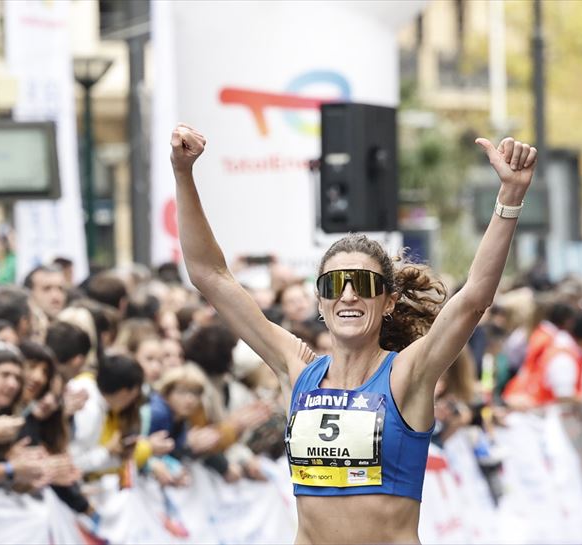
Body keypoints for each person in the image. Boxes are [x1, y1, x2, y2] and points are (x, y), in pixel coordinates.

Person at [171, 122, 537, 544]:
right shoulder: (296, 369)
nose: (348, 295)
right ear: (320, 302)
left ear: (388, 301)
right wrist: (183, 172)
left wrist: (510, 196)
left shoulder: (407, 374)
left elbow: (473, 299)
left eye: (362, 284)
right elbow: (210, 275)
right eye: (333, 285)